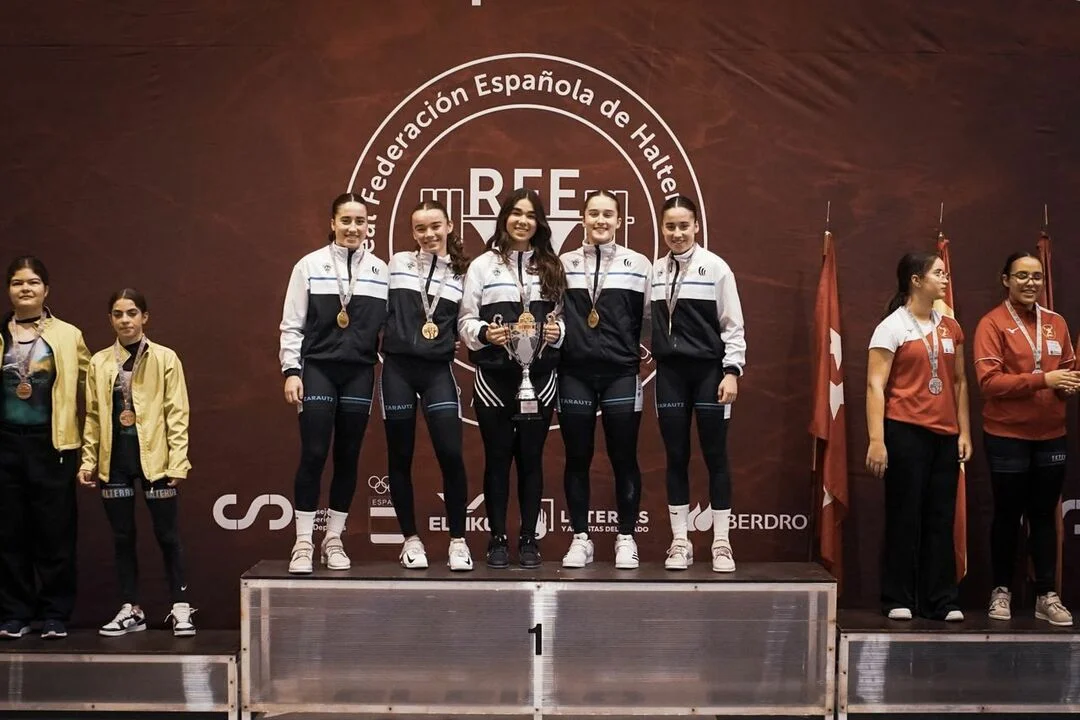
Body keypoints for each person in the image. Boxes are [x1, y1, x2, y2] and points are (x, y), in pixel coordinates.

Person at [279, 192, 388, 574]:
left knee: (348, 456)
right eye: (346, 220)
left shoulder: (380, 271)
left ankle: (334, 540)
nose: (353, 228)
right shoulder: (309, 265)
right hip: (318, 370)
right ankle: (303, 543)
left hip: (359, 372)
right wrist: (291, 370)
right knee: (313, 453)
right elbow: (292, 323)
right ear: (332, 223)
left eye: (360, 221)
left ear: (368, 225)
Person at [78, 289, 195, 637]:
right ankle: (131, 608)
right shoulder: (99, 362)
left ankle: (181, 606)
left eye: (132, 313)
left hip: (156, 462)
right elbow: (93, 416)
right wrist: (88, 460)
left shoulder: (165, 358)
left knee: (168, 535)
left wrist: (178, 461)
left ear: (145, 317)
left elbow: (177, 413)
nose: (125, 320)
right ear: (110, 319)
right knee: (122, 537)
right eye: (118, 314)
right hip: (114, 462)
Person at [458, 188, 565, 568]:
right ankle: (498, 539)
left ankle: (529, 539)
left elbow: (563, 317)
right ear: (504, 218)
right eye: (516, 213)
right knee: (498, 458)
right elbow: (465, 319)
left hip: (541, 378)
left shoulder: (551, 266)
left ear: (539, 223)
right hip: (494, 377)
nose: (523, 221)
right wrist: (484, 333)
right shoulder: (482, 266)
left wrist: (558, 333)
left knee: (532, 459)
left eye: (531, 215)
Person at [973, 252, 1079, 626]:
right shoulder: (992, 324)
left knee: (1044, 516)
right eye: (1022, 276)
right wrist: (1043, 380)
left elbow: (1067, 371)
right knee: (1007, 514)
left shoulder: (1056, 323)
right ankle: (1000, 590)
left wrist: (1066, 385)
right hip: (1007, 435)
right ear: (1006, 280)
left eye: (1036, 277)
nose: (1030, 283)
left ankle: (1046, 594)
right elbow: (989, 383)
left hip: (1051, 435)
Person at [866, 251, 971, 622]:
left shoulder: (952, 327)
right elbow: (875, 386)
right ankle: (898, 597)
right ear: (915, 280)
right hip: (905, 431)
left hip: (945, 435)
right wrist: (877, 439)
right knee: (905, 516)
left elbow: (959, 381)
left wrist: (964, 431)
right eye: (938, 273)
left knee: (940, 518)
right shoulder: (892, 327)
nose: (945, 279)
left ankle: (940, 600)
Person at [650, 195, 745, 573]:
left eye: (683, 226)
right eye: (670, 226)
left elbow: (733, 324)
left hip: (710, 374)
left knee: (715, 456)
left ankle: (722, 543)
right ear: (662, 228)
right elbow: (645, 320)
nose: (677, 233)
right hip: (670, 376)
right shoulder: (655, 271)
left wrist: (732, 371)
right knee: (676, 457)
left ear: (696, 226)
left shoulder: (716, 268)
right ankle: (680, 542)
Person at [557, 190, 651, 569]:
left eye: (608, 214)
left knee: (623, 457)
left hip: (621, 374)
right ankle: (581, 538)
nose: (600, 220)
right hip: (575, 373)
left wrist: (625, 345)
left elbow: (650, 318)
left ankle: (626, 538)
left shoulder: (638, 264)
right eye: (593, 213)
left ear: (619, 220)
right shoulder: (564, 264)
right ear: (583, 218)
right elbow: (555, 315)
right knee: (577, 457)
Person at [0, 256, 90, 640]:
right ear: (9, 290)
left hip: (52, 445)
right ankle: (15, 614)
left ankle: (55, 613)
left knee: (56, 533)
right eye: (18, 282)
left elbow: (94, 389)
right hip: (6, 445)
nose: (26, 288)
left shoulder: (68, 335)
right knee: (9, 534)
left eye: (33, 282)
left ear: (46, 289)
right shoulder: (0, 334)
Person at [382, 199, 473, 571]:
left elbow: (467, 321)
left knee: (451, 454)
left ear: (449, 226)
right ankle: (411, 540)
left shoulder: (464, 273)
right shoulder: (397, 264)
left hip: (438, 372)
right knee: (399, 457)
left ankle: (458, 541)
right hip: (398, 370)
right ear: (412, 232)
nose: (429, 234)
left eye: (435, 226)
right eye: (420, 228)